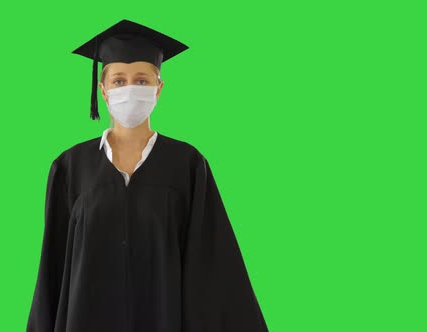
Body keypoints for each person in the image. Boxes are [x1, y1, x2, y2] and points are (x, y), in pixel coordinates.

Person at [26, 19, 269, 332]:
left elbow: (214, 265)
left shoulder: (188, 165)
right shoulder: (70, 168)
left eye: (142, 80)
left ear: (159, 88)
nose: (130, 89)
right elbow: (52, 270)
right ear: (102, 89)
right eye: (119, 81)